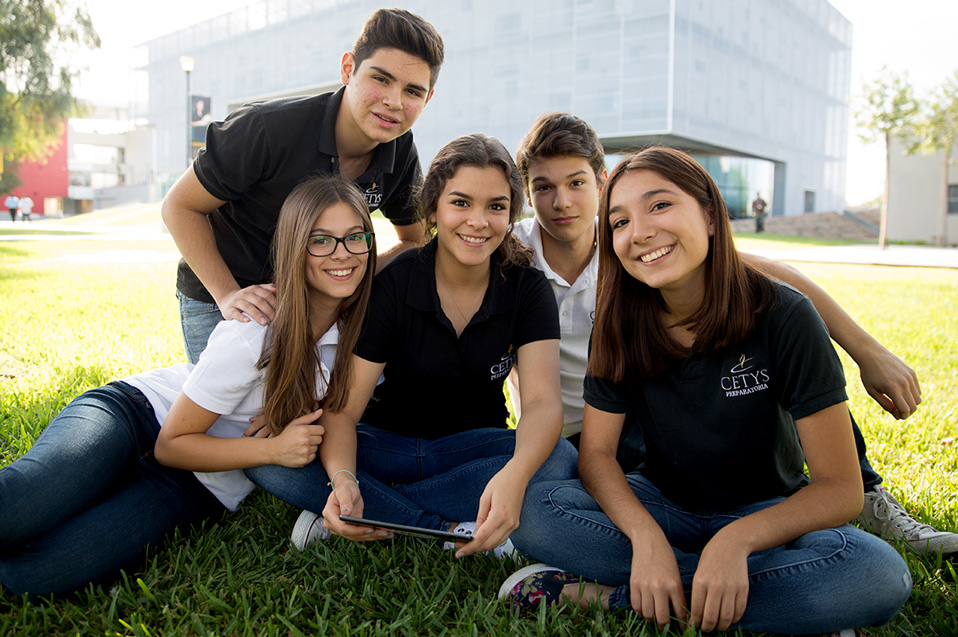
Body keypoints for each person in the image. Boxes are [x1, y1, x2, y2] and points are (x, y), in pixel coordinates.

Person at [500, 147, 912, 635]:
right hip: (660, 503)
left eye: (659, 206)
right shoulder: (618, 319)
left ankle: (617, 600)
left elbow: (841, 489)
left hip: (767, 512)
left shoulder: (785, 315)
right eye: (619, 222)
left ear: (711, 216)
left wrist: (736, 541)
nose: (641, 232)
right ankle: (763, 601)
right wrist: (646, 538)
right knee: (534, 515)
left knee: (878, 573)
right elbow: (597, 456)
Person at [0, 176, 375, 597]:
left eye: (355, 237)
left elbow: (343, 413)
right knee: (15, 511)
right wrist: (274, 450)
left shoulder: (364, 337)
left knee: (33, 577)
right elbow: (171, 443)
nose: (342, 254)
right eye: (320, 240)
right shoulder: (256, 328)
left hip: (200, 482)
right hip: (139, 416)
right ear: (294, 248)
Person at [245, 134, 578, 557]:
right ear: (433, 206)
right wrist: (346, 476)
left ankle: (369, 508)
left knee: (559, 459)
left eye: (495, 206)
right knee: (268, 458)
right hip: (386, 445)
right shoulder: (396, 281)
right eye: (460, 203)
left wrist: (514, 476)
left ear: (512, 212)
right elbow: (343, 410)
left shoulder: (526, 287)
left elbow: (544, 404)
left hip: (471, 450)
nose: (478, 221)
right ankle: (442, 527)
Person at [161, 8, 444, 363]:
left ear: (428, 98)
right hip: (229, 292)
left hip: (317, 303)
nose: (394, 102)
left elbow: (414, 239)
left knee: (332, 407)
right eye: (381, 79)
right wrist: (228, 294)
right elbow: (179, 206)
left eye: (413, 91)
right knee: (238, 414)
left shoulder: (400, 150)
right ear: (347, 69)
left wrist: (346, 271)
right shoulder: (266, 129)